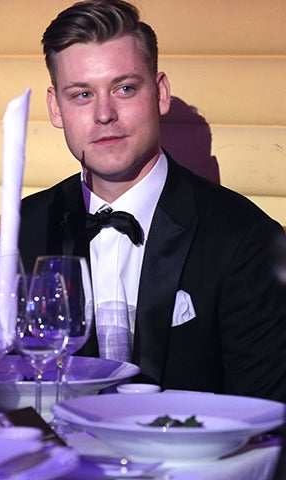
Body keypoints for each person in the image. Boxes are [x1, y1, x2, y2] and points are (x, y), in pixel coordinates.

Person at [19, 0, 286, 402]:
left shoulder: (244, 238)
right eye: (82, 94)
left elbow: (263, 411)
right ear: (56, 109)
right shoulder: (25, 228)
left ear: (160, 94)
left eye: (124, 88)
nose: (104, 114)